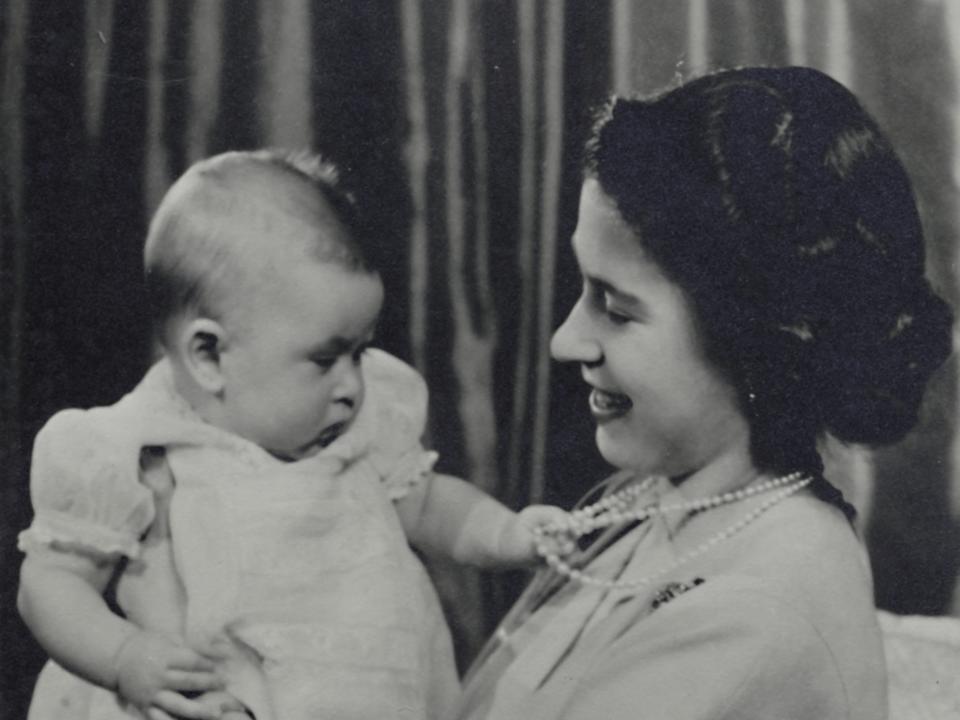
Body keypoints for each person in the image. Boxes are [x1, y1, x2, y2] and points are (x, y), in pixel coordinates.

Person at [456, 66, 954, 720]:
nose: (565, 342)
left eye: (617, 308)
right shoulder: (668, 491)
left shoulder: (745, 615)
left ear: (753, 341)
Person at [17, 150, 564, 720]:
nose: (352, 383)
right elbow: (50, 586)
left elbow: (427, 507)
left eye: (360, 351)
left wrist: (508, 533)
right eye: (326, 359)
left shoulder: (362, 423)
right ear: (209, 355)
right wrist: (125, 655)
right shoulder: (136, 450)